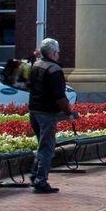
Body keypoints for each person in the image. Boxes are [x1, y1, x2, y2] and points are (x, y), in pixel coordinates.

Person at [28, 38, 71, 194]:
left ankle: (35, 175)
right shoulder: (54, 70)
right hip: (47, 113)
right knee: (47, 148)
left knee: (42, 145)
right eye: (57, 52)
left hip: (34, 111)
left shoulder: (36, 65)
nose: (58, 54)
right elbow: (60, 96)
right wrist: (68, 112)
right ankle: (41, 180)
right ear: (53, 53)